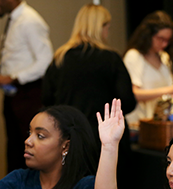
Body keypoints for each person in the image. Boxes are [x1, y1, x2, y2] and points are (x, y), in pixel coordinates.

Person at [42, 3, 136, 151]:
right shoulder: (111, 59)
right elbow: (127, 101)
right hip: (104, 140)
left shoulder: (59, 58)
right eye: (108, 28)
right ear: (102, 27)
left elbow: (47, 99)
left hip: (68, 138)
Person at [0, 0, 53, 173]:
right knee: (16, 150)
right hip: (15, 97)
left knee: (28, 153)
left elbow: (46, 61)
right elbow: (20, 57)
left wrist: (13, 78)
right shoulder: (14, 19)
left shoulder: (29, 20)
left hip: (28, 98)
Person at [123, 10, 173, 129]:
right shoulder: (134, 56)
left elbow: (169, 93)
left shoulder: (164, 57)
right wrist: (170, 89)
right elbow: (134, 94)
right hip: (140, 124)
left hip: (161, 123)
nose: (164, 44)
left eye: (168, 40)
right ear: (148, 35)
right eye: (160, 39)